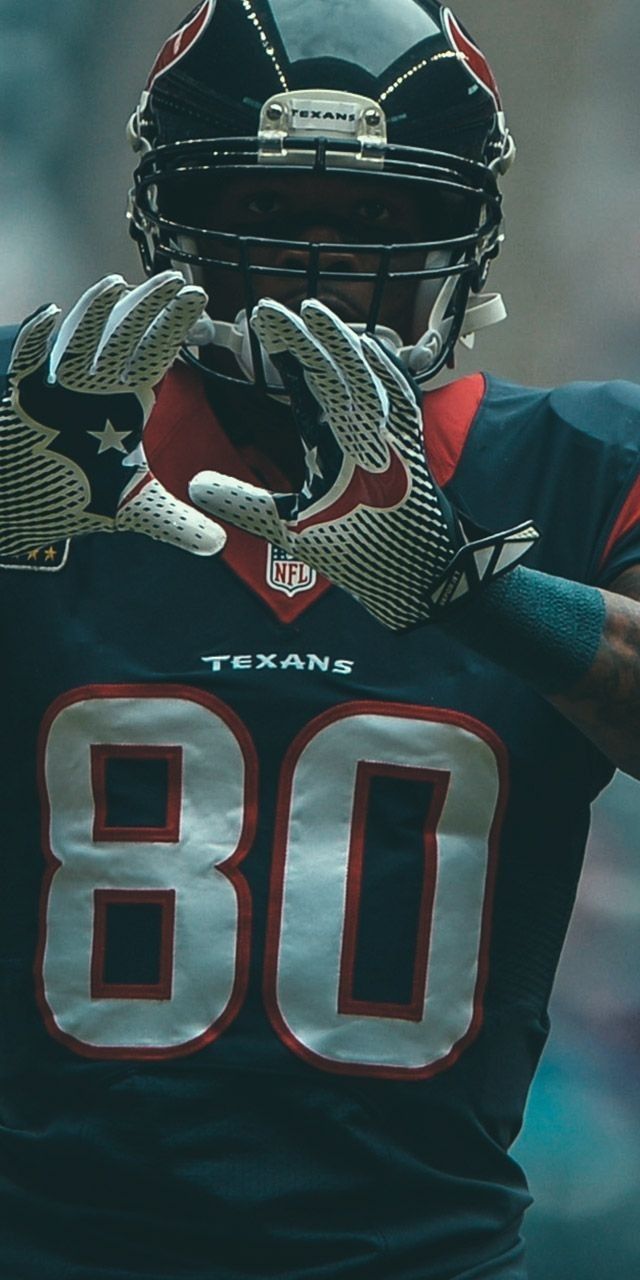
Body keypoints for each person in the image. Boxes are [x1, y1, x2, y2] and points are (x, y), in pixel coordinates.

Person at [1, 3, 640, 1278]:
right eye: (269, 208)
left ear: (466, 231)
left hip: (424, 1248)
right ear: (167, 216)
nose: (315, 267)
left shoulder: (573, 462)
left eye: (378, 226)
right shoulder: (41, 432)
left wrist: (463, 586)